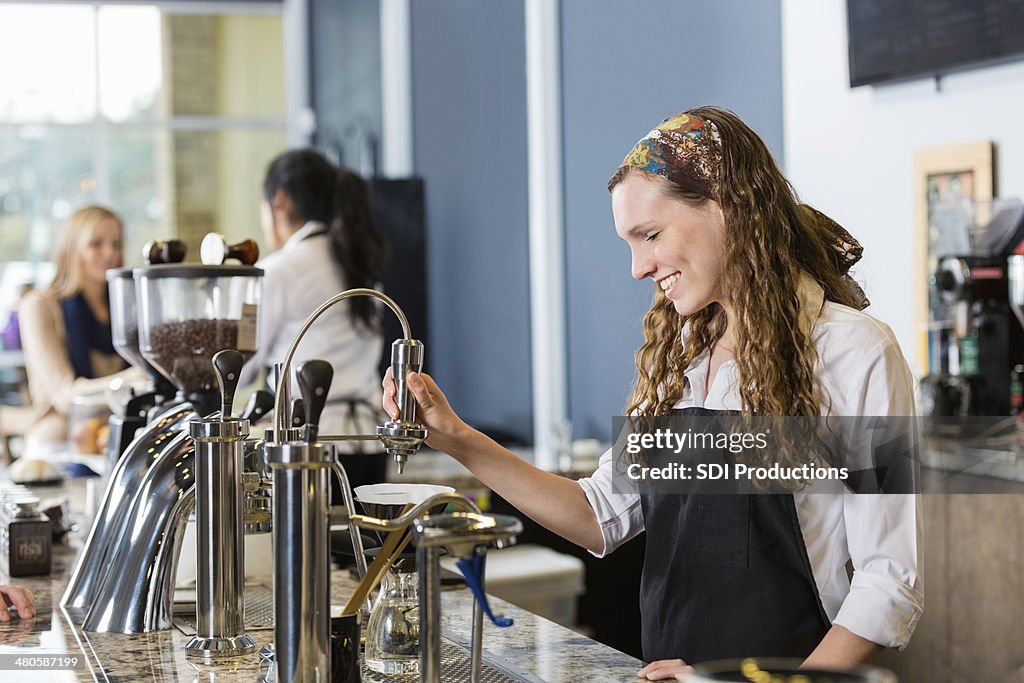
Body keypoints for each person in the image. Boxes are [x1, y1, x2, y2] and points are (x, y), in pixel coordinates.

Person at [382, 107, 923, 679]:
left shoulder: (856, 352)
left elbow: (889, 580)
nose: (639, 267)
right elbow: (599, 514)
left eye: (651, 235)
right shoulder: (682, 354)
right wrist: (458, 439)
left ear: (728, 208)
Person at [240, 148, 389, 487]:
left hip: (309, 446)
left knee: (307, 541)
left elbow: (241, 366)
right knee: (361, 541)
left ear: (278, 200)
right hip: (367, 440)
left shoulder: (278, 270)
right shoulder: (359, 263)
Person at [19, 206, 132, 448]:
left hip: (117, 430)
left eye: (116, 243)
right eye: (96, 243)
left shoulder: (126, 307)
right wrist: (132, 380)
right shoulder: (39, 306)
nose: (110, 252)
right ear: (72, 248)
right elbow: (64, 396)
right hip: (59, 435)